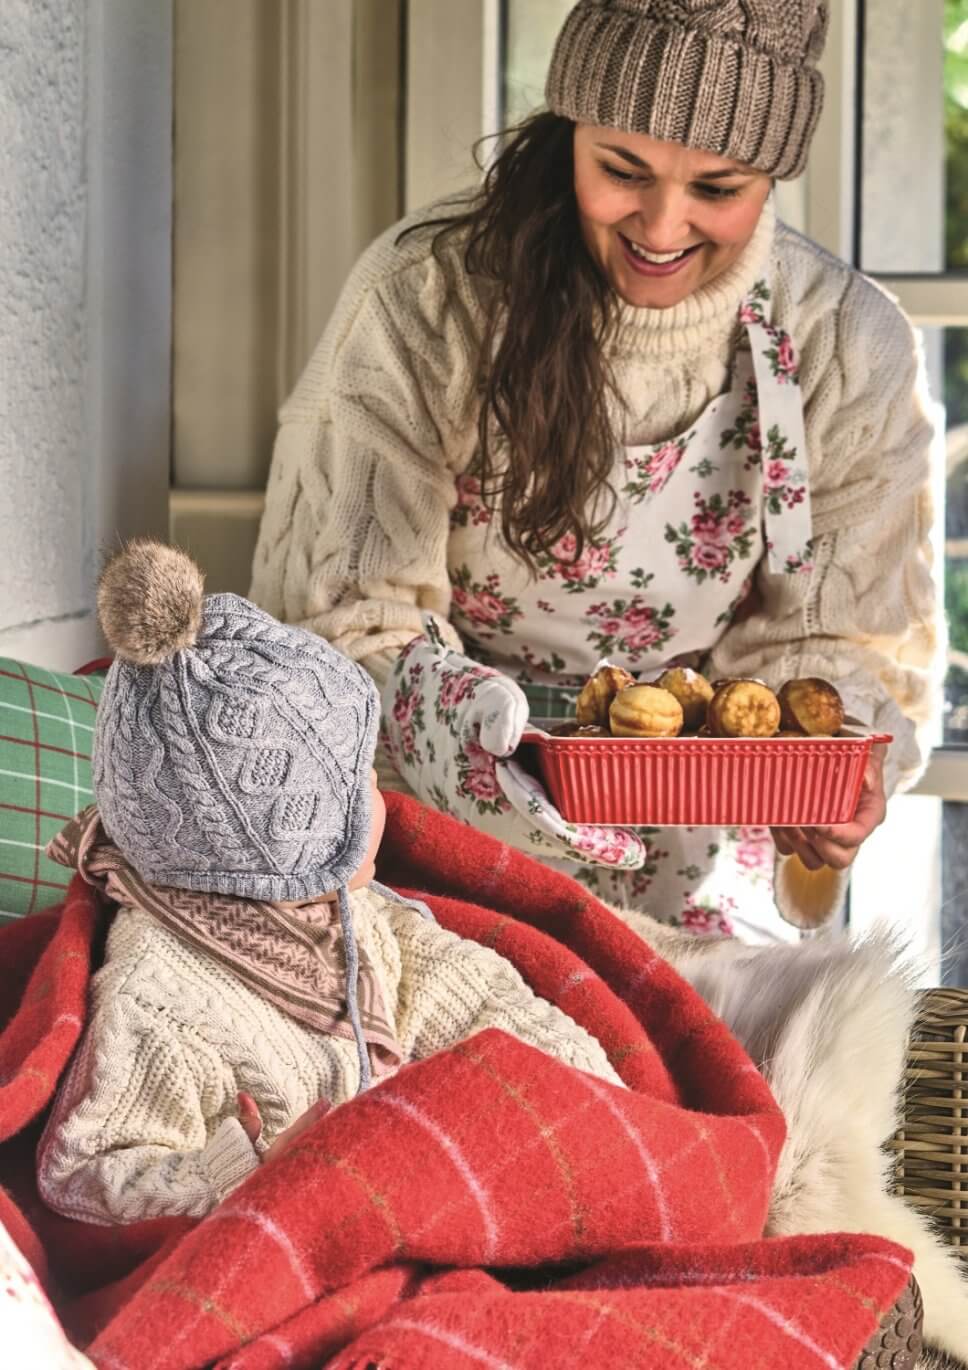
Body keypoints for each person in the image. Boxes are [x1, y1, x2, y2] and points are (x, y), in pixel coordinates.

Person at [250, 0, 939, 944]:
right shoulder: (426, 298)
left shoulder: (841, 340)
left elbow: (840, 643)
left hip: (695, 837)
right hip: (435, 818)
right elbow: (343, 617)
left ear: (772, 175)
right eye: (623, 170)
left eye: (718, 186)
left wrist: (822, 773)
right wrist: (503, 744)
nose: (663, 224)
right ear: (571, 132)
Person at [36, 541, 622, 1225]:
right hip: (309, 1231)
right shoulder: (157, 997)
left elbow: (457, 988)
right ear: (269, 855)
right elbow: (87, 1176)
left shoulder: (343, 913)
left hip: (418, 1185)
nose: (380, 797)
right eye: (354, 789)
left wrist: (578, 1088)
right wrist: (244, 1170)